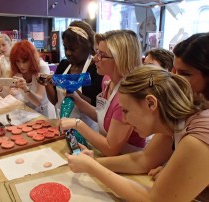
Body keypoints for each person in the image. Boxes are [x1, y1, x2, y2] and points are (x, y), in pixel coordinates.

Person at [64, 65, 209, 201]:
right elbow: (143, 161)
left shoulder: (197, 139)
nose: (125, 119)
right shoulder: (171, 121)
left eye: (126, 111)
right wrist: (94, 161)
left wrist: (91, 167)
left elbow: (155, 199)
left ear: (151, 103)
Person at [59, 30, 146, 156]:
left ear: (120, 59)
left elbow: (111, 148)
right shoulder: (107, 80)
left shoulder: (129, 96)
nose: (95, 59)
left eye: (102, 55)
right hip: (106, 156)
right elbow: (103, 117)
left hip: (127, 160)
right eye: (97, 52)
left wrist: (78, 125)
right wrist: (77, 99)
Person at [148, 33, 209, 181]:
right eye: (174, 71)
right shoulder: (184, 107)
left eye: (184, 73)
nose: (174, 79)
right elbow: (146, 158)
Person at [39, 20, 103, 130]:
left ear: (86, 47)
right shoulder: (64, 65)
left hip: (87, 130)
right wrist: (47, 84)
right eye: (65, 48)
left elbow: (95, 107)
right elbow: (56, 101)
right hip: (64, 126)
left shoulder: (95, 70)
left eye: (72, 49)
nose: (68, 52)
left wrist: (67, 85)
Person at [0, 40, 56, 118]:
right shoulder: (15, 70)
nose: (21, 66)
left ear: (32, 59)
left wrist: (26, 89)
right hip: (27, 111)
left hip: (45, 113)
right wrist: (0, 89)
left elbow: (38, 101)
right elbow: (7, 95)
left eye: (25, 61)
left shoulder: (42, 68)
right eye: (18, 61)